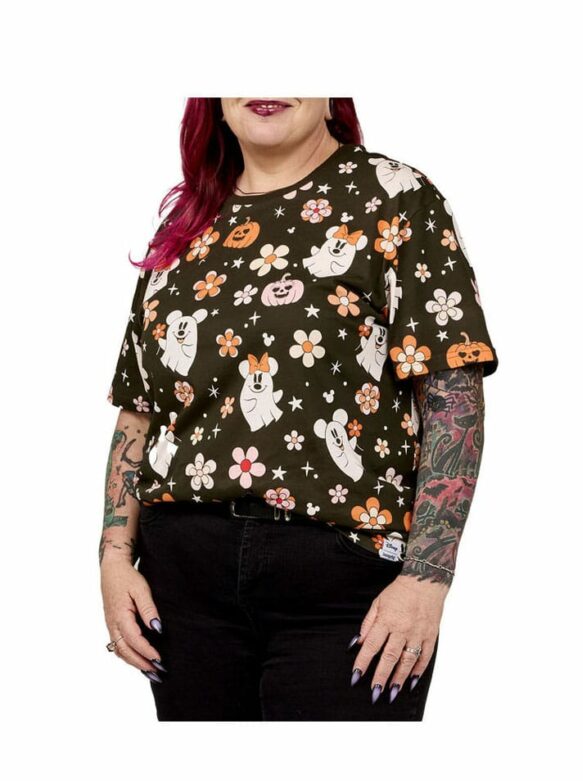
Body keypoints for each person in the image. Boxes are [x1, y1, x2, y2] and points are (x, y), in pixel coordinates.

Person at [100, 97, 499, 721]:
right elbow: (140, 410)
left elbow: (454, 398)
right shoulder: (187, 221)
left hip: (342, 586)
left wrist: (427, 577)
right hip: (183, 584)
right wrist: (113, 559)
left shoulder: (394, 197)